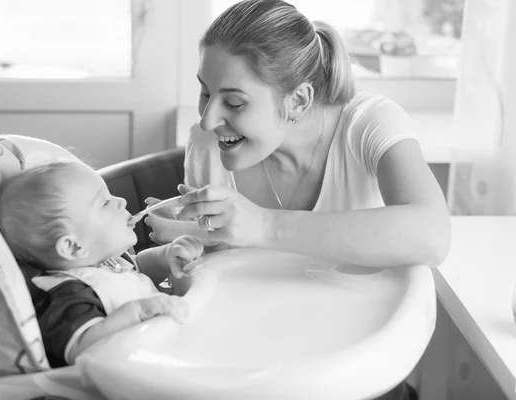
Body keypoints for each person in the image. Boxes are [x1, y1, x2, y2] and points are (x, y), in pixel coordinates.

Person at [163, 0, 451, 398]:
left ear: (297, 100)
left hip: (353, 370)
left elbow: (432, 234)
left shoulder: (368, 125)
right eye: (204, 92)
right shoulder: (206, 145)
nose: (208, 120)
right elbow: (208, 289)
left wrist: (263, 225)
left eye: (234, 102)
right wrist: (184, 260)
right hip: (247, 369)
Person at [0, 160, 203, 367]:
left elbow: (140, 268)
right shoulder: (71, 294)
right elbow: (81, 348)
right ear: (73, 247)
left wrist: (167, 255)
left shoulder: (109, 262)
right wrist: (137, 312)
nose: (121, 201)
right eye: (104, 203)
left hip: (169, 353)